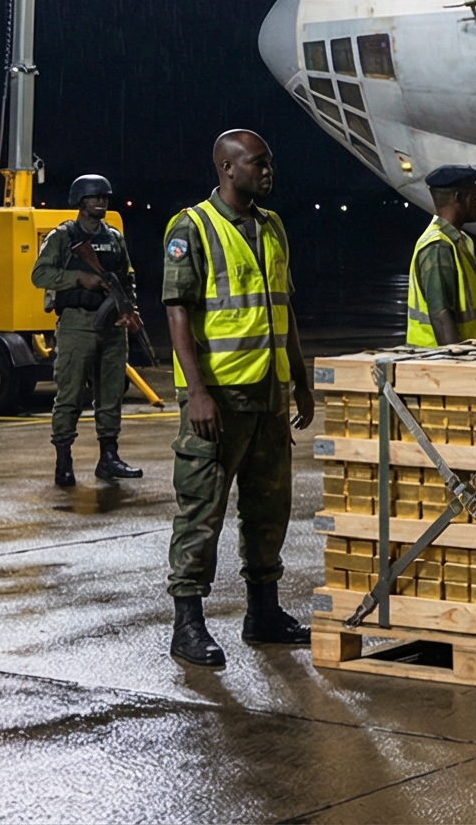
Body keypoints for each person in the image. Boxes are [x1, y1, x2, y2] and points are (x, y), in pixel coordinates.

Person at [160, 129, 313, 668]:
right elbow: (177, 310)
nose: (267, 171)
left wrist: (300, 376)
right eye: (257, 163)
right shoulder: (192, 227)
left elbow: (283, 305)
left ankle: (263, 613)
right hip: (219, 401)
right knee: (202, 511)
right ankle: (187, 624)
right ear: (226, 167)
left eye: (268, 162)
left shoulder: (272, 227)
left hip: (269, 394)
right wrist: (196, 392)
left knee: (269, 509)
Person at [31, 172, 144, 488]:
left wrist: (128, 308)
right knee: (69, 395)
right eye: (95, 197)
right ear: (80, 201)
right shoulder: (63, 238)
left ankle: (109, 458)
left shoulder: (114, 238)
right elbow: (39, 275)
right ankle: (63, 462)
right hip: (77, 324)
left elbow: (127, 275)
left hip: (111, 326)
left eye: (105, 197)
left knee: (110, 394)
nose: (101, 202)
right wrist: (79, 279)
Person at [405, 165, 476, 346]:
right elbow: (441, 316)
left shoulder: (457, 241)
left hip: (468, 356)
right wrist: (455, 365)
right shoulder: (438, 246)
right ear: (458, 197)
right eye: (474, 195)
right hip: (435, 363)